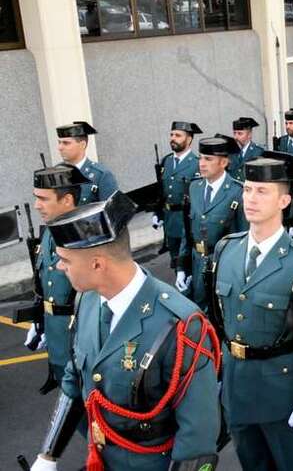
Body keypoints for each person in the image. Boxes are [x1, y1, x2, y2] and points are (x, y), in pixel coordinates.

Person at [28, 191, 220, 471]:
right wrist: (48, 455)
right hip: (101, 457)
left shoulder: (181, 324)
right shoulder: (87, 301)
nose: (58, 267)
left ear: (97, 264)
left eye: (65, 260)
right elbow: (75, 377)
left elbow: (197, 440)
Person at [211, 153, 293, 471]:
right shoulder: (226, 250)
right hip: (236, 390)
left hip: (281, 395)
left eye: (262, 191)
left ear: (284, 201)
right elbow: (219, 322)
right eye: (247, 189)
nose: (251, 198)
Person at [23, 164, 89, 393]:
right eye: (36, 198)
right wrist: (40, 323)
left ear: (67, 200)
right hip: (56, 335)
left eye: (43, 198)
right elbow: (45, 285)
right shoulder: (49, 232)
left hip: (79, 340)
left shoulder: (85, 238)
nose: (36, 205)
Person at [177, 136, 248, 311]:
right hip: (197, 263)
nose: (201, 163)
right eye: (201, 158)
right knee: (199, 312)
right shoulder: (194, 187)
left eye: (208, 159)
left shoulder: (237, 192)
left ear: (223, 162)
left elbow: (244, 240)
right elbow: (188, 231)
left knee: (222, 312)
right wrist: (182, 267)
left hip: (224, 267)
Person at [154, 121, 202, 269]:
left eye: (178, 135)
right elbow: (162, 191)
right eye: (171, 135)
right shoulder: (166, 161)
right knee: (176, 262)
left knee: (189, 264)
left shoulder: (197, 164)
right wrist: (158, 213)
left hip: (187, 222)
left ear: (189, 139)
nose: (173, 138)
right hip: (170, 222)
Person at [56, 121, 119, 205]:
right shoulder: (56, 173)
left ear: (82, 145)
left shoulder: (101, 175)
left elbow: (114, 210)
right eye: (59, 142)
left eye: (66, 143)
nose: (60, 147)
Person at [228, 117, 265, 182]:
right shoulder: (231, 151)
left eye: (240, 133)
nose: (236, 137)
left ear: (249, 135)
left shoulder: (258, 152)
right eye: (234, 133)